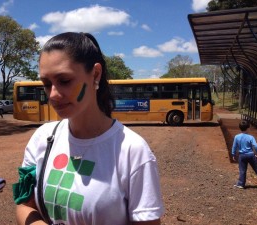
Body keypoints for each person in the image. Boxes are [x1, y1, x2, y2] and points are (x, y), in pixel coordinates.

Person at [13, 32, 164, 225]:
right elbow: (25, 205)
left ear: (95, 74)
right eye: (47, 83)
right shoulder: (41, 138)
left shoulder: (133, 151)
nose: (53, 95)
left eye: (64, 81)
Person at [232, 120, 257, 189]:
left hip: (242, 155)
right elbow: (255, 146)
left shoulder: (237, 137)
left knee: (242, 170)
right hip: (250, 155)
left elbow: (234, 146)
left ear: (240, 128)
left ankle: (241, 184)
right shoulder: (251, 137)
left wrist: (233, 154)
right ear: (248, 128)